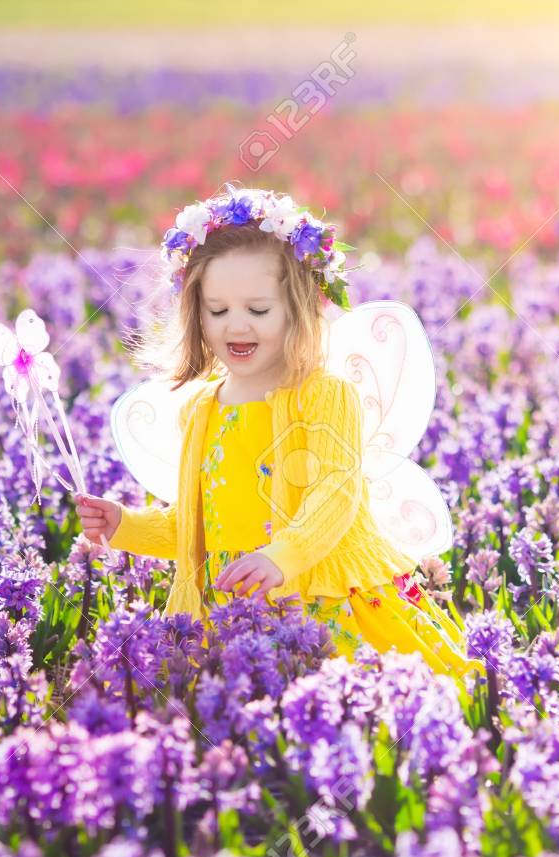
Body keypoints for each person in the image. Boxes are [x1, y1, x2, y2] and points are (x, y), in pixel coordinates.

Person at [76, 185, 479, 681]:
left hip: (317, 592)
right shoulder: (202, 410)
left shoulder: (323, 394)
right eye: (217, 310)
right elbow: (197, 523)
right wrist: (124, 525)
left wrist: (283, 556)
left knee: (365, 696)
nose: (236, 327)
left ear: (299, 307)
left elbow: (336, 491)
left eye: (258, 310)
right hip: (235, 604)